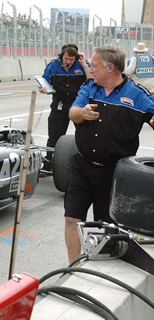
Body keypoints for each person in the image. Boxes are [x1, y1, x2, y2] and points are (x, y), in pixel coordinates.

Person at [64, 45, 154, 264]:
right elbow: (73, 113)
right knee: (71, 218)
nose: (90, 69)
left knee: (107, 227)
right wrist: (82, 113)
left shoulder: (137, 95)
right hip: (83, 166)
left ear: (110, 68)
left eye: (94, 65)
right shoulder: (89, 87)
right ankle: (74, 268)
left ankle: (99, 271)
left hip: (114, 173)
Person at [38, 43, 91, 170]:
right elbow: (45, 82)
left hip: (78, 105)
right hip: (59, 104)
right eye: (66, 59)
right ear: (61, 56)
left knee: (84, 135)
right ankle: (49, 163)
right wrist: (44, 89)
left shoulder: (83, 65)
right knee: (54, 136)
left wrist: (84, 64)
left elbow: (92, 79)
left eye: (71, 60)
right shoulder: (53, 66)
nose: (68, 62)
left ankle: (85, 163)